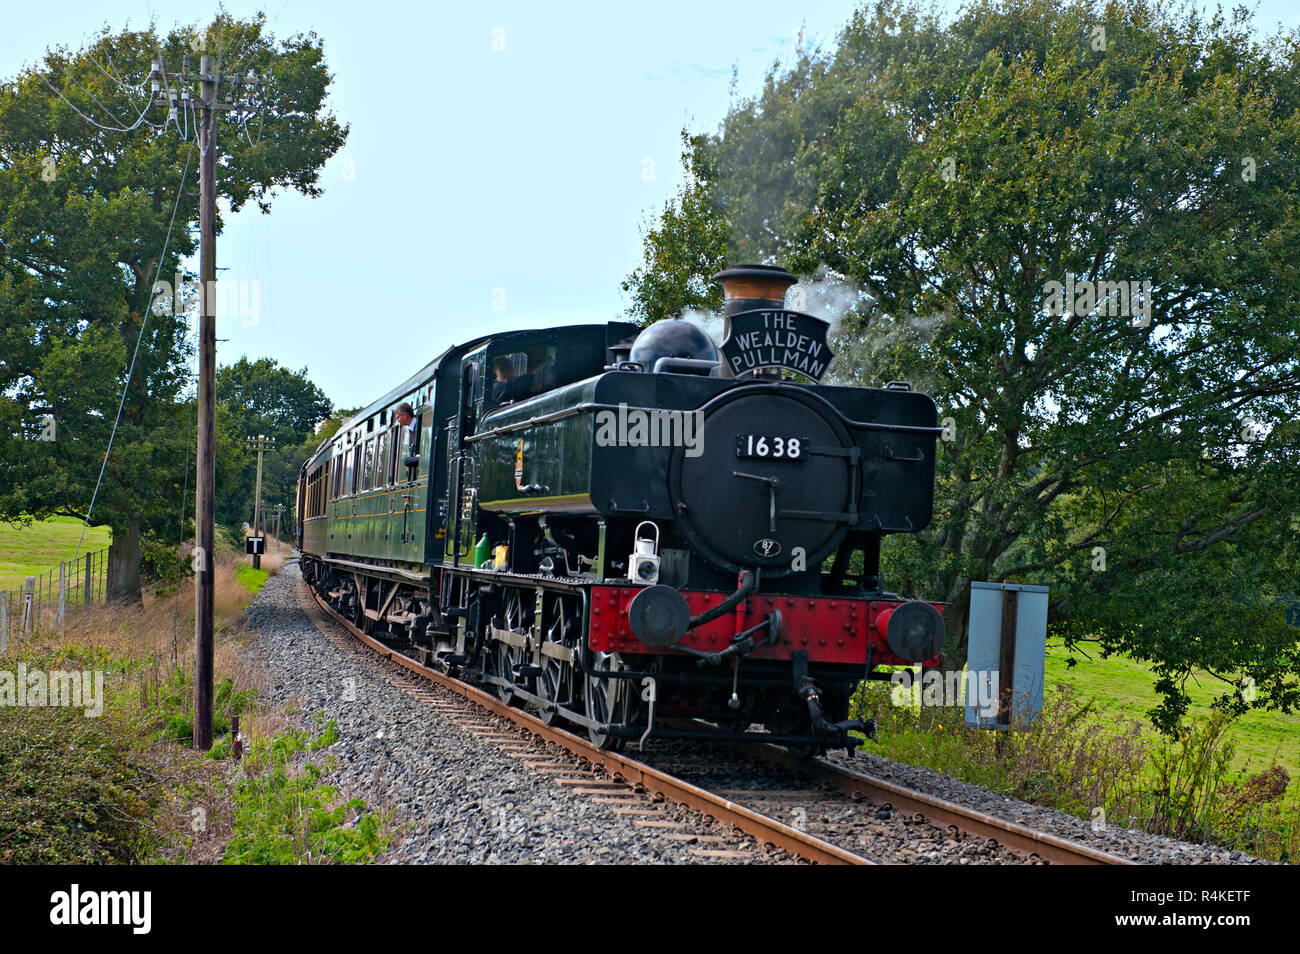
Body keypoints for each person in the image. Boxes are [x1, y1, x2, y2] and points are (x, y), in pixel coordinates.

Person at [395, 401, 419, 472]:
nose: (397, 420)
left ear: (405, 415)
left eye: (397, 417)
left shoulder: (419, 426)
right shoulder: (411, 429)